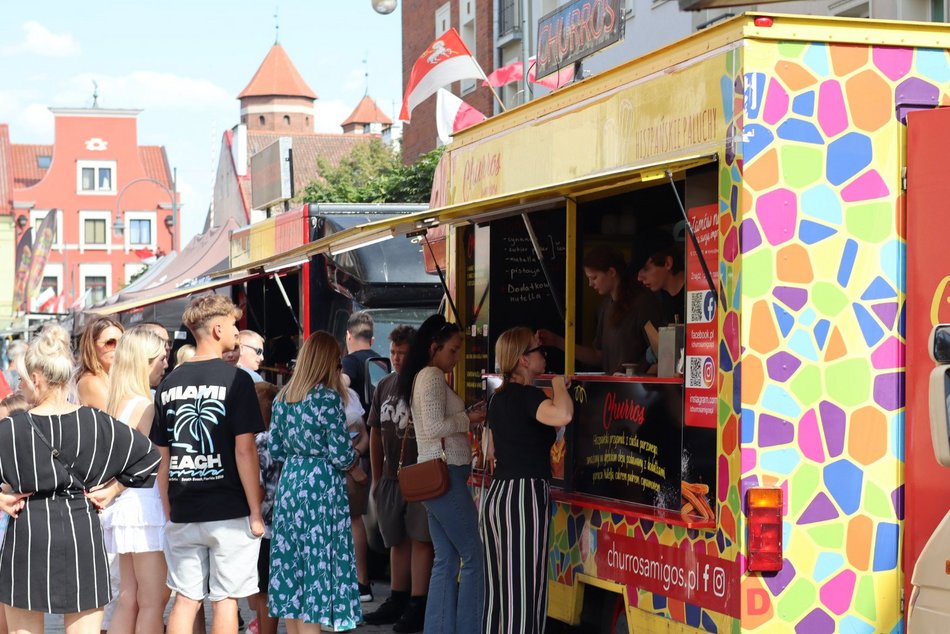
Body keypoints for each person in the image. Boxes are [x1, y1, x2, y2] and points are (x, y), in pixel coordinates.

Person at [0, 327, 161, 633]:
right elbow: (148, 456)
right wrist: (113, 490)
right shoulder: (96, 422)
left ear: (36, 378)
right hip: (80, 528)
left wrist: (2, 500)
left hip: (30, 529)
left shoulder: (11, 429)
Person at [150, 295, 265, 634]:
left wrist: (169, 507)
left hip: (185, 507)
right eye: (232, 325)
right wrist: (255, 511)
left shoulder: (168, 384)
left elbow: (163, 456)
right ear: (217, 329)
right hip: (228, 509)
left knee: (186, 599)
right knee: (225, 599)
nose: (236, 331)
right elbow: (245, 451)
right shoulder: (237, 379)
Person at [268, 330, 367, 633]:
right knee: (317, 567)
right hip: (321, 486)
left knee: (292, 568)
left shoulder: (283, 397)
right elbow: (340, 452)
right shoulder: (327, 398)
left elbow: (276, 449)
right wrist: (356, 469)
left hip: (291, 483)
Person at [397, 315, 486, 634]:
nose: (458, 357)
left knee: (445, 560)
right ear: (434, 348)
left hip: (436, 476)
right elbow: (435, 428)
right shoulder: (432, 375)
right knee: (474, 557)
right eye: (453, 350)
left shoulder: (423, 375)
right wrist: (469, 417)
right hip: (445, 474)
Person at [481, 327, 574, 633]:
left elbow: (489, 448)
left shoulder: (498, 398)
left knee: (498, 590)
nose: (543, 356)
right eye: (538, 351)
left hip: (497, 494)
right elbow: (563, 415)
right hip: (523, 494)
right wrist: (559, 384)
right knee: (523, 587)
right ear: (523, 359)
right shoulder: (527, 395)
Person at [364, 326, 432, 633]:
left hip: (421, 474)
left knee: (420, 538)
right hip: (392, 476)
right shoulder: (385, 385)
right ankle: (397, 596)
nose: (396, 359)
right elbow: (375, 432)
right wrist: (377, 479)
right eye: (393, 352)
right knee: (395, 538)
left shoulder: (424, 383)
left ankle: (418, 602)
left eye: (402, 353)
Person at [104, 327, 170, 634]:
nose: (165, 365)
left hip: (126, 506)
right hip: (146, 506)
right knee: (153, 600)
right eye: (160, 358)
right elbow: (150, 461)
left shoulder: (118, 404)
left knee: (130, 597)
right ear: (145, 362)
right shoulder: (147, 404)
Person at [539, 250, 664, 374]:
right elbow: (598, 355)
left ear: (611, 272)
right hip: (612, 388)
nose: (590, 284)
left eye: (594, 277)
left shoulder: (642, 303)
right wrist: (557, 341)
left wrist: (644, 383)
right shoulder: (604, 308)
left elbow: (661, 352)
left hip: (637, 389)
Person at [248, 381, 280, 634]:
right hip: (278, 523)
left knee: (263, 591)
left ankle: (264, 629)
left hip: (263, 526)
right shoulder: (279, 442)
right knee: (264, 588)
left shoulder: (258, 443)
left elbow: (257, 488)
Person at [342, 385, 373, 603]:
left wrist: (354, 458)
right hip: (352, 471)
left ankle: (358, 582)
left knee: (353, 520)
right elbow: (364, 436)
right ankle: (361, 583)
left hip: (340, 472)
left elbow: (363, 435)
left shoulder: (347, 394)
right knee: (355, 520)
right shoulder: (348, 394)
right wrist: (355, 462)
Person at [77, 317, 124, 410]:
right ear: (91, 346)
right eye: (110, 343)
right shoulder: (91, 382)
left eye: (122, 343)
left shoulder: (113, 378)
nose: (117, 348)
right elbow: (118, 420)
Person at [341, 311, 381, 418]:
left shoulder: (350, 361)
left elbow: (341, 384)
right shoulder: (381, 361)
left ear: (348, 335)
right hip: (378, 427)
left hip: (359, 429)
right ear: (372, 341)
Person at [638, 245, 685, 325]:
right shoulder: (656, 300)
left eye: (646, 269)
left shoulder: (698, 291)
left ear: (668, 263)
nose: (639, 278)